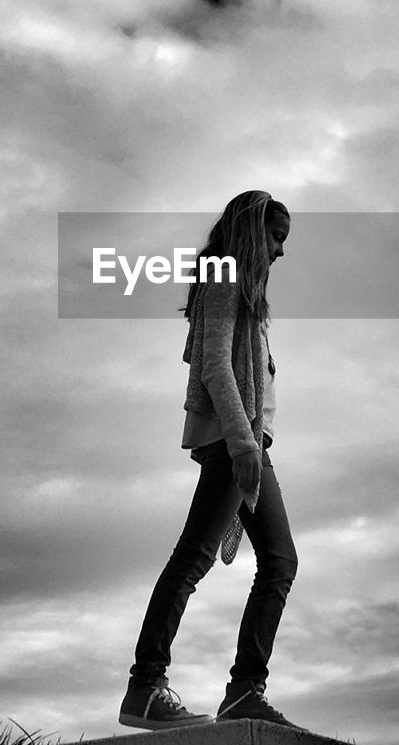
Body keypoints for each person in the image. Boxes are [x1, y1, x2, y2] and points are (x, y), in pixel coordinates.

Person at [119, 190, 300, 730]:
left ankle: (243, 690)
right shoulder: (224, 276)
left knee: (277, 562)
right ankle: (148, 686)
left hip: (247, 441)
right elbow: (215, 366)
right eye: (276, 237)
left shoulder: (242, 289)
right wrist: (244, 443)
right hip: (235, 441)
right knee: (197, 559)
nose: (280, 253)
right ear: (250, 232)